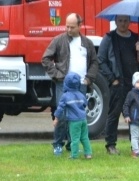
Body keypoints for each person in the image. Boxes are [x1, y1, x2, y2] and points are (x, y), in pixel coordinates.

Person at [41, 13, 99, 156]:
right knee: (62, 114)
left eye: (72, 27)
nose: (68, 29)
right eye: (67, 26)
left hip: (81, 85)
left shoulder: (87, 43)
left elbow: (94, 62)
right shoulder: (59, 40)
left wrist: (89, 78)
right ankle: (58, 144)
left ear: (80, 26)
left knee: (78, 116)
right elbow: (46, 58)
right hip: (64, 85)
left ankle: (71, 144)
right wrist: (58, 75)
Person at [98, 15, 139, 156]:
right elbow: (101, 60)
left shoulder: (137, 38)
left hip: (134, 86)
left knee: (136, 116)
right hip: (118, 84)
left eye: (126, 20)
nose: (123, 23)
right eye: (120, 20)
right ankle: (111, 145)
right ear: (115, 21)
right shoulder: (109, 38)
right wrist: (112, 79)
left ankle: (137, 145)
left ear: (130, 22)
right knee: (114, 115)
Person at [52, 72, 93, 159]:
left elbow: (60, 108)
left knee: (75, 139)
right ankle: (88, 153)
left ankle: (74, 155)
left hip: (74, 121)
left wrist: (56, 118)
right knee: (84, 137)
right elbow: (85, 104)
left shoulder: (65, 96)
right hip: (83, 119)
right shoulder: (81, 95)